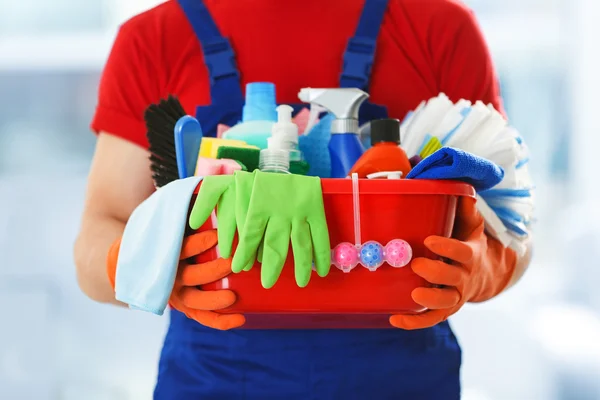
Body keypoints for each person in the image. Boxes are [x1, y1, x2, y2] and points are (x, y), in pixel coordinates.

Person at [74, 0, 533, 398]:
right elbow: (99, 234)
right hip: (212, 379)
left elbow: (514, 227)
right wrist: (151, 266)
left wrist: (484, 269)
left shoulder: (441, 29)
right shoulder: (154, 38)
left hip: (403, 379)